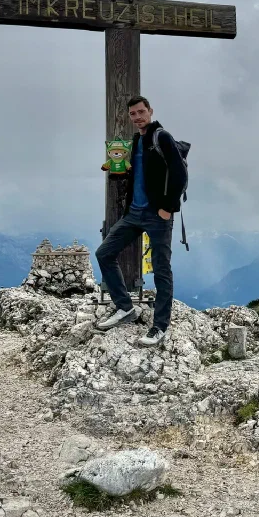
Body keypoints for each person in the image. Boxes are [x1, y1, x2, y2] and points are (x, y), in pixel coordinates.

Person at [95, 95, 186, 347]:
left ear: (150, 111)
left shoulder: (162, 137)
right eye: (133, 114)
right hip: (134, 214)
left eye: (141, 112)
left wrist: (168, 208)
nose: (137, 117)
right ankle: (125, 308)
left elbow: (180, 175)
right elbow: (140, 175)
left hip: (157, 216)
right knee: (104, 252)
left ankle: (160, 326)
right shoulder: (136, 141)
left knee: (161, 269)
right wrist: (118, 171)